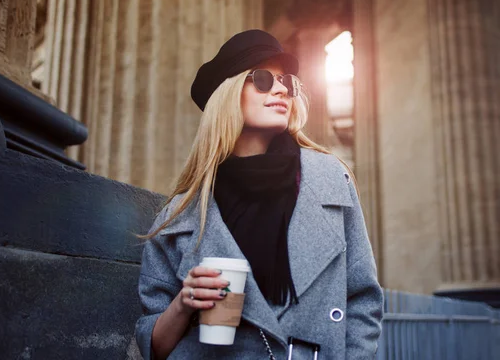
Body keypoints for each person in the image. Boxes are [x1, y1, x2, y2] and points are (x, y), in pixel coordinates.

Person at [135, 29, 383, 359]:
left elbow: (363, 300)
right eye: (264, 79)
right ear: (229, 94)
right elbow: (153, 346)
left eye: (287, 82)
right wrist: (183, 304)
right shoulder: (181, 215)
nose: (281, 88)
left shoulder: (330, 179)